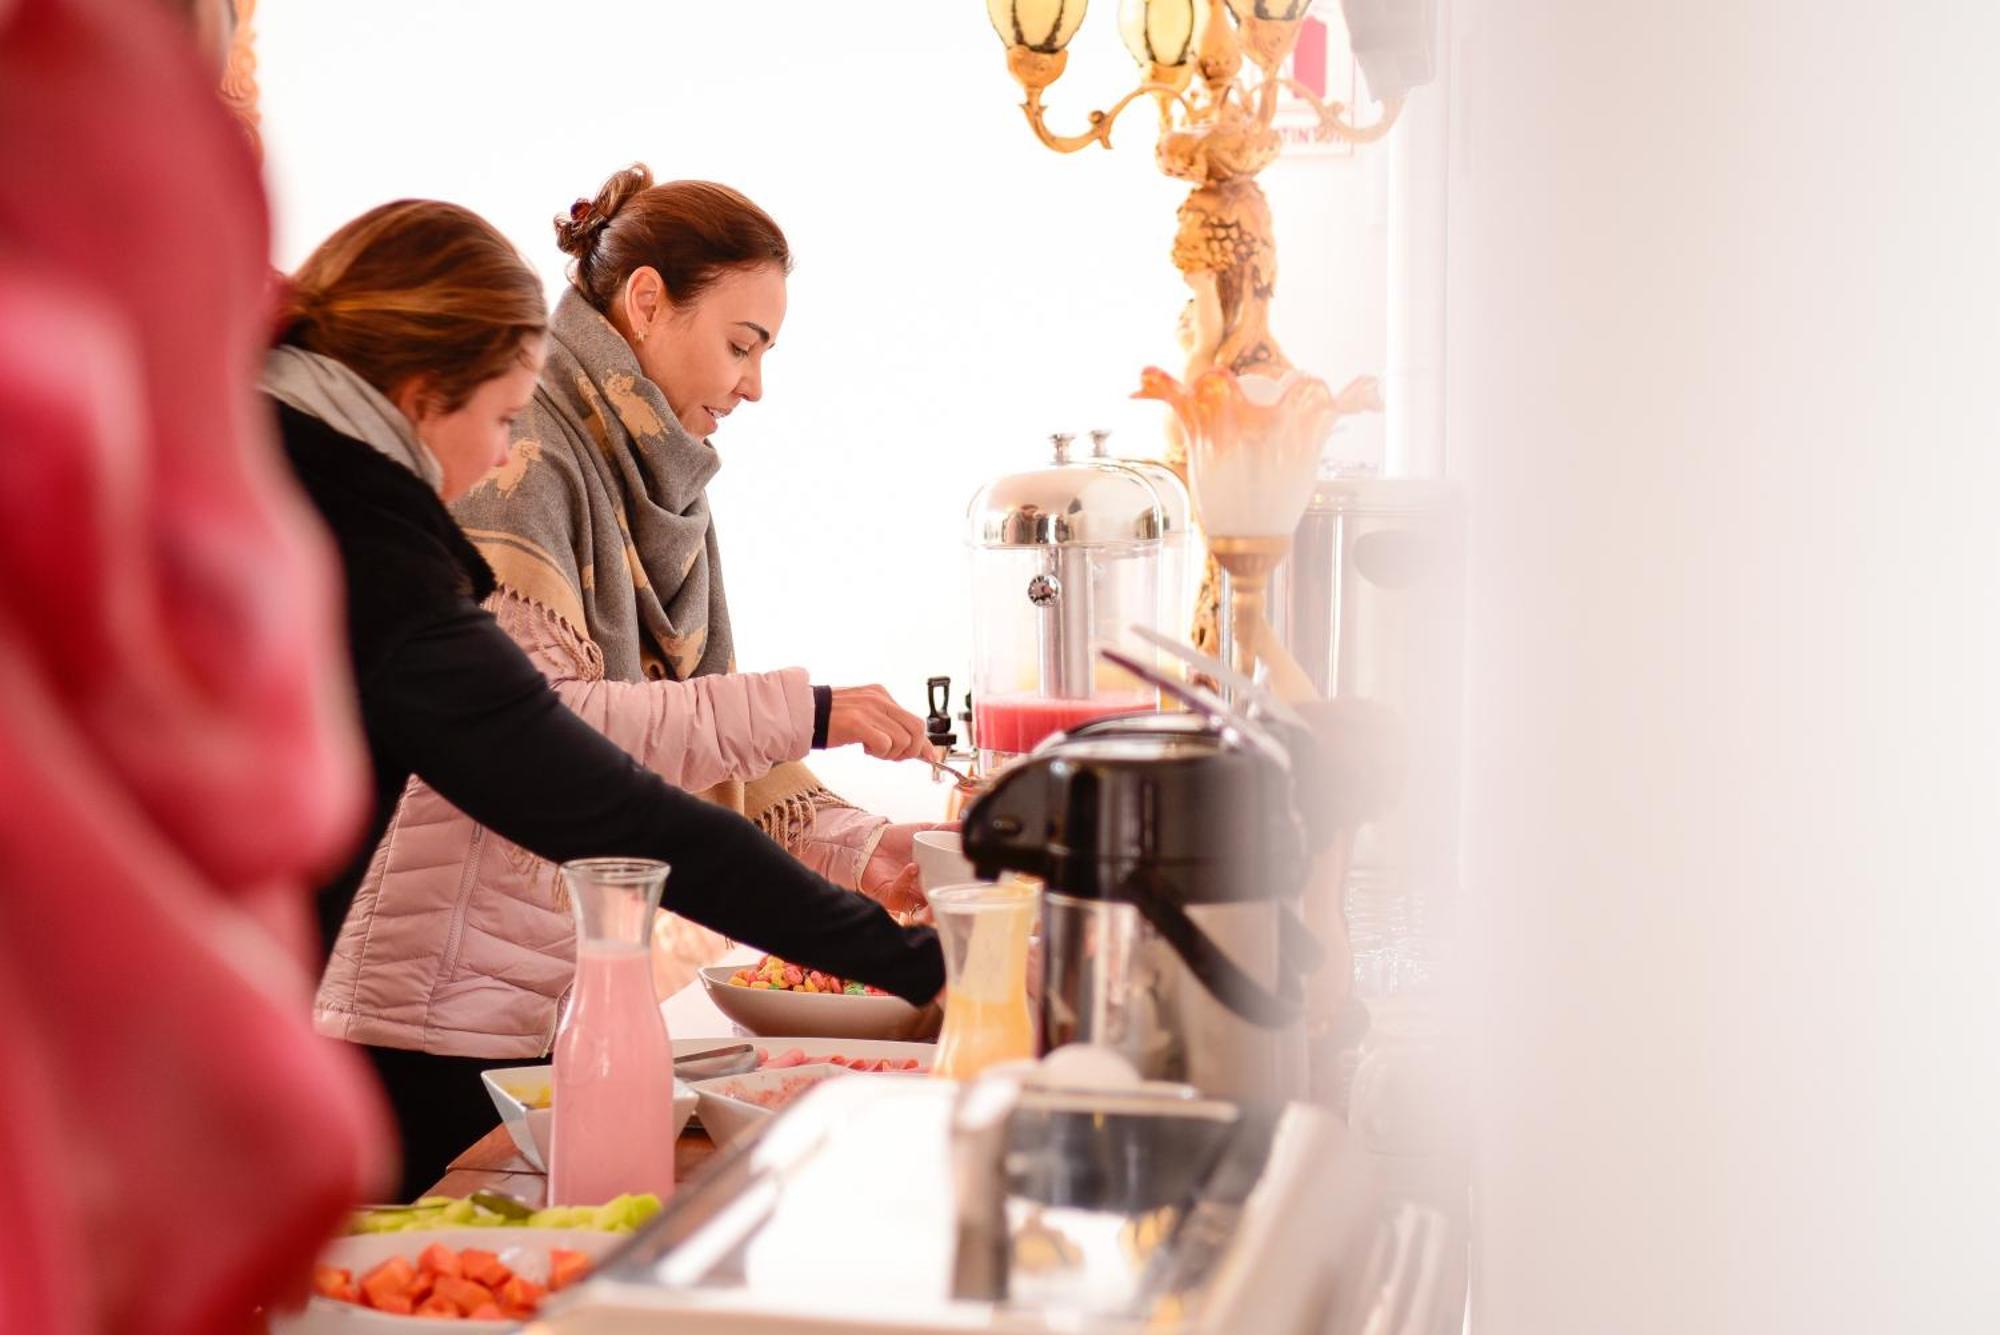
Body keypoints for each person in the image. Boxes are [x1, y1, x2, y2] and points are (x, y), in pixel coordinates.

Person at [268, 199, 941, 1197]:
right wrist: (922, 964)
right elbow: (588, 785)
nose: (502, 454)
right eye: (498, 418)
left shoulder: (286, 473)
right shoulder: (394, 542)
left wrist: (859, 856)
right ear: (417, 394)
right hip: (367, 1010)